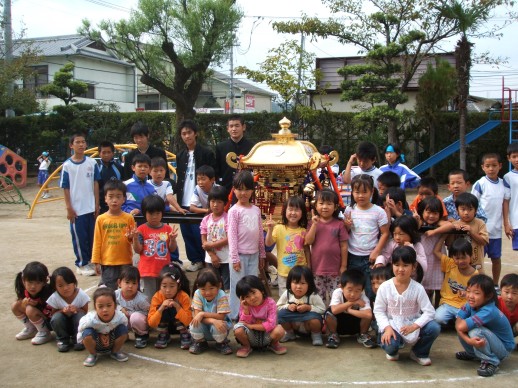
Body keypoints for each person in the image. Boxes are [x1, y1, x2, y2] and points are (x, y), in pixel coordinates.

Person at [373, 246, 440, 366]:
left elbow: (429, 312)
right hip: (392, 324)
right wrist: (387, 328)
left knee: (434, 327)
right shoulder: (385, 287)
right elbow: (379, 311)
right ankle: (393, 350)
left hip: (412, 323)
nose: (400, 269)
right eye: (397, 265)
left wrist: (415, 326)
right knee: (391, 346)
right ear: (392, 265)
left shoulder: (418, 288)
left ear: (414, 267)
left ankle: (419, 352)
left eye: (405, 265)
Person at [175, 119, 216, 272]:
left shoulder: (206, 152)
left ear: (195, 133)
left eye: (189, 133)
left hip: (199, 200)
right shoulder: (180, 155)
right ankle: (195, 260)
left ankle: (205, 259)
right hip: (183, 199)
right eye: (183, 133)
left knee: (200, 231)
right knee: (186, 231)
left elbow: (212, 175)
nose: (187, 136)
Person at [455, 274, 515, 377]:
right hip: (492, 342)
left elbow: (460, 326)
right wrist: (468, 340)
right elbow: (458, 322)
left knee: (475, 331)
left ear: (488, 296)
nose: (470, 296)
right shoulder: (472, 303)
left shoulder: (488, 310)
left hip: (503, 349)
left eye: (476, 293)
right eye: (469, 291)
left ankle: (491, 361)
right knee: (467, 328)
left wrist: (463, 333)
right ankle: (474, 354)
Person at [59, 133, 101, 276]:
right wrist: (69, 208)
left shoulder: (92, 163)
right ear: (71, 145)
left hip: (90, 207)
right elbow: (66, 188)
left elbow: (95, 183)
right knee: (79, 237)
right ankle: (82, 263)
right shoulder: (67, 165)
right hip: (77, 209)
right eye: (78, 142)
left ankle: (92, 261)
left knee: (92, 236)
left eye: (83, 142)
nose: (81, 145)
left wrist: (97, 204)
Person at [228, 171, 266, 320]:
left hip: (254, 254)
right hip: (239, 255)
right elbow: (232, 236)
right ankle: (234, 315)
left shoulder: (256, 210)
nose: (243, 193)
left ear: (252, 190)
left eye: (247, 189)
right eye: (239, 189)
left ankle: (250, 314)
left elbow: (260, 233)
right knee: (237, 286)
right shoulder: (234, 211)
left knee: (251, 286)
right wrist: (234, 257)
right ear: (234, 190)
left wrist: (262, 254)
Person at [344, 175, 390, 299]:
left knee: (371, 290)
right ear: (352, 192)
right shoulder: (349, 210)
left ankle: (373, 315)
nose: (360, 195)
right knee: (354, 288)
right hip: (352, 256)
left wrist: (376, 251)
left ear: (372, 191)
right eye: (357, 192)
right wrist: (347, 226)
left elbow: (385, 233)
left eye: (365, 192)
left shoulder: (378, 211)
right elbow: (345, 232)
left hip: (370, 257)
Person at [131, 195, 179, 301]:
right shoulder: (141, 229)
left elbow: (172, 249)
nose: (154, 217)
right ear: (145, 213)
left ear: (162, 213)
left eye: (158, 213)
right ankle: (150, 317)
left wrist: (173, 239)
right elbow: (138, 250)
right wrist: (134, 238)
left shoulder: (167, 228)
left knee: (164, 297)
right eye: (151, 213)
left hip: (164, 272)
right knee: (149, 299)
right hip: (147, 271)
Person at [305, 189, 348, 304]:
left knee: (336, 298)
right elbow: (308, 241)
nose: (325, 207)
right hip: (317, 269)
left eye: (329, 204)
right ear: (316, 205)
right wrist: (314, 224)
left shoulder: (339, 224)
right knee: (319, 299)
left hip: (335, 270)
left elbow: (344, 246)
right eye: (321, 203)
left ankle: (333, 318)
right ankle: (321, 319)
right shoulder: (312, 223)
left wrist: (343, 266)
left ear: (335, 207)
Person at [92, 180, 136, 290]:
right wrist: (96, 261)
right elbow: (97, 241)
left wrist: (132, 237)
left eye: (118, 196)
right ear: (105, 199)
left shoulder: (128, 218)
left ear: (124, 199)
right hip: (108, 262)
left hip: (125, 261)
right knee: (109, 289)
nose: (114, 200)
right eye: (110, 196)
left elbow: (132, 240)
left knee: (126, 289)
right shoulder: (101, 219)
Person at [472, 153, 506, 286]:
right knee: (477, 261)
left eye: (494, 165)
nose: (491, 168)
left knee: (496, 259)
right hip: (481, 231)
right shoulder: (480, 184)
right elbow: (472, 204)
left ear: (500, 166)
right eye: (488, 166)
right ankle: (477, 285)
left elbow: (505, 205)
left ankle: (495, 284)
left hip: (496, 231)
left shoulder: (504, 184)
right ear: (483, 167)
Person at [233, 275, 287, 358]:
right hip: (251, 337)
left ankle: (273, 344)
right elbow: (243, 323)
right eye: (247, 296)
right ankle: (246, 346)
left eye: (253, 292)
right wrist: (246, 310)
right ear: (242, 299)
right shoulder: (245, 305)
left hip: (267, 336)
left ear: (261, 290)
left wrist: (252, 326)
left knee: (280, 329)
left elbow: (271, 324)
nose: (252, 298)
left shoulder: (270, 303)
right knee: (238, 330)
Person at [265, 196, 308, 296]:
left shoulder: (303, 231)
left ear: (302, 213)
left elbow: (306, 250)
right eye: (290, 209)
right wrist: (270, 230)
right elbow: (268, 243)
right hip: (284, 272)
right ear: (285, 211)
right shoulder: (279, 228)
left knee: (300, 296)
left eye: (297, 210)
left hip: (300, 272)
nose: (293, 213)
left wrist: (309, 266)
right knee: (284, 297)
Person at [416, 196, 455, 305]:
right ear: (422, 211)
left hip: (437, 260)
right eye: (428, 212)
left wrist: (434, 232)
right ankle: (425, 311)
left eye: (435, 213)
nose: (431, 216)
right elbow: (414, 224)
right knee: (424, 287)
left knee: (439, 287)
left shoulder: (438, 224)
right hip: (424, 259)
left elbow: (450, 226)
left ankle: (438, 308)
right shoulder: (420, 223)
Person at [78, 287, 129, 367]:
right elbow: (81, 332)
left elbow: (125, 327)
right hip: (96, 343)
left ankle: (115, 351)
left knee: (123, 329)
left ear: (115, 306)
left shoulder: (120, 317)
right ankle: (93, 354)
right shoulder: (89, 320)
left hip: (111, 341)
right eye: (100, 306)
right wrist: (100, 334)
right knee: (87, 333)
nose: (105, 310)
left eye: (109, 305)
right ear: (95, 307)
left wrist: (109, 334)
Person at [325, 269, 375, 349]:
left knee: (367, 313)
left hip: (355, 326)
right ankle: (334, 335)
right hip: (339, 325)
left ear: (362, 290)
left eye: (357, 291)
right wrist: (351, 303)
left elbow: (368, 315)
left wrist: (349, 310)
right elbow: (334, 310)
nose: (353, 294)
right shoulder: (337, 293)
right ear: (342, 287)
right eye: (350, 290)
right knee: (328, 313)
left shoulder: (363, 297)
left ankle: (363, 335)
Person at [433, 237, 477, 326]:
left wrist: (466, 293)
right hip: (448, 303)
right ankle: (453, 322)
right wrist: (444, 235)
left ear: (471, 256)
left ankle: (454, 322)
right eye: (457, 258)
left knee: (468, 322)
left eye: (463, 257)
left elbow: (477, 293)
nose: (460, 261)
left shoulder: (475, 274)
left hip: (465, 306)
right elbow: (436, 251)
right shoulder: (450, 264)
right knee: (437, 318)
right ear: (452, 257)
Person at [277, 266, 326, 346]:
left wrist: (309, 307)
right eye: (295, 283)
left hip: (308, 325)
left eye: (303, 283)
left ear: (309, 284)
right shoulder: (287, 293)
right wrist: (288, 306)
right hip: (294, 325)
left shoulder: (312, 295)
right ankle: (290, 333)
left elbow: (322, 309)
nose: (299, 286)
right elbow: (278, 306)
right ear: (290, 283)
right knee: (281, 315)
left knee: (315, 319)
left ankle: (316, 335)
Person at [147, 264, 192, 349]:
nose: (168, 290)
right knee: (163, 307)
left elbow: (188, 321)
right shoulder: (157, 297)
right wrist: (161, 308)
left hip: (180, 326)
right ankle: (163, 334)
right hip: (166, 327)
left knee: (173, 306)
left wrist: (178, 307)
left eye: (172, 286)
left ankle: (184, 334)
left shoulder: (183, 296)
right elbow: (151, 323)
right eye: (164, 286)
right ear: (159, 285)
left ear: (178, 285)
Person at [189, 268, 233, 355]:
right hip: (206, 325)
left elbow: (221, 316)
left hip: (218, 325)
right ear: (198, 287)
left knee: (220, 323)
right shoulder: (197, 293)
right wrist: (212, 320)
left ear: (219, 286)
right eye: (203, 289)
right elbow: (197, 316)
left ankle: (221, 342)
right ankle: (200, 342)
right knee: (194, 323)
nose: (207, 292)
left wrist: (203, 313)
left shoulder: (221, 294)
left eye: (211, 288)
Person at [47, 267, 90, 352]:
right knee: (57, 318)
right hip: (63, 325)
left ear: (74, 283)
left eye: (68, 284)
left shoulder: (81, 295)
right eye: (60, 286)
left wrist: (77, 309)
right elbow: (53, 314)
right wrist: (62, 311)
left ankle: (77, 338)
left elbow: (85, 312)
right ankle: (62, 340)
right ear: (55, 287)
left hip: (77, 325)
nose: (65, 288)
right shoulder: (55, 297)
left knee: (80, 316)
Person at [374, 215, 427, 281]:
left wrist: (412, 250)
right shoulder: (393, 244)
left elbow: (424, 267)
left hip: (413, 280)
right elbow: (385, 257)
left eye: (401, 234)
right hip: (394, 279)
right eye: (395, 234)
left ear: (411, 233)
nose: (397, 238)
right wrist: (380, 262)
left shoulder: (417, 246)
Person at [11, 261, 53, 345]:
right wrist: (24, 304)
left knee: (30, 309)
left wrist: (37, 305)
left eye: (38, 283)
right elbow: (22, 305)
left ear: (44, 282)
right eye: (30, 282)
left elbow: (52, 310)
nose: (33, 286)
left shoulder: (48, 291)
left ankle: (44, 333)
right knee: (15, 305)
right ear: (23, 281)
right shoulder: (24, 289)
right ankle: (31, 329)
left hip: (51, 320)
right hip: (40, 315)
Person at [215, 114, 255, 195]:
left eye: (237, 126)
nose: (234, 129)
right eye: (231, 126)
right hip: (225, 189)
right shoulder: (220, 147)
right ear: (227, 129)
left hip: (246, 190)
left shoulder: (252, 147)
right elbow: (217, 170)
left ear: (243, 127)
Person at [200, 186, 230, 292]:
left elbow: (229, 238)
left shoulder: (227, 218)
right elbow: (204, 241)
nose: (215, 205)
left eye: (219, 202)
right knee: (213, 284)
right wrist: (212, 255)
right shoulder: (205, 220)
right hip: (210, 259)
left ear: (225, 203)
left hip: (226, 258)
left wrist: (212, 245)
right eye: (213, 201)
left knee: (227, 286)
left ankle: (226, 306)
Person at [452, 193, 489, 272]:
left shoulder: (480, 223)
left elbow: (484, 242)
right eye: (463, 209)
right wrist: (452, 227)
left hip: (477, 266)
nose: (466, 212)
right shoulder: (455, 225)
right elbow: (449, 244)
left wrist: (471, 232)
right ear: (457, 211)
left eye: (470, 209)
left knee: (477, 283)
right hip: (459, 266)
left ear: (475, 210)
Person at [115, 266, 150, 349]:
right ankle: (123, 334)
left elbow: (149, 311)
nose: (130, 286)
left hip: (138, 322)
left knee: (135, 317)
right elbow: (110, 304)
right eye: (127, 282)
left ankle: (141, 335)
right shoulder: (115, 295)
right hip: (125, 322)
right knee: (115, 313)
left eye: (134, 283)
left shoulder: (141, 299)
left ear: (138, 284)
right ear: (119, 283)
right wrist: (120, 308)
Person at [97, 141, 124, 214]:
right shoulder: (96, 168)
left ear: (113, 153)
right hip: (100, 205)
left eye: (109, 152)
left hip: (116, 204)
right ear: (99, 153)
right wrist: (96, 204)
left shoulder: (119, 168)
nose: (106, 155)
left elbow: (123, 186)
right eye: (104, 152)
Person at [369, 266, 392, 336]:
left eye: (379, 283)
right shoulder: (373, 298)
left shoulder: (395, 296)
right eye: (373, 283)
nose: (376, 286)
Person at [503, 143, 518, 253]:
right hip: (516, 221)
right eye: (514, 156)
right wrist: (507, 224)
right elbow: (506, 201)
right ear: (509, 158)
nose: (517, 159)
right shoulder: (508, 177)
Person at [496, 273, 518, 338]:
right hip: (497, 331)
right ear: (500, 291)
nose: (510, 297)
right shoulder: (495, 303)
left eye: (514, 293)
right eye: (506, 292)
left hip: (512, 331)